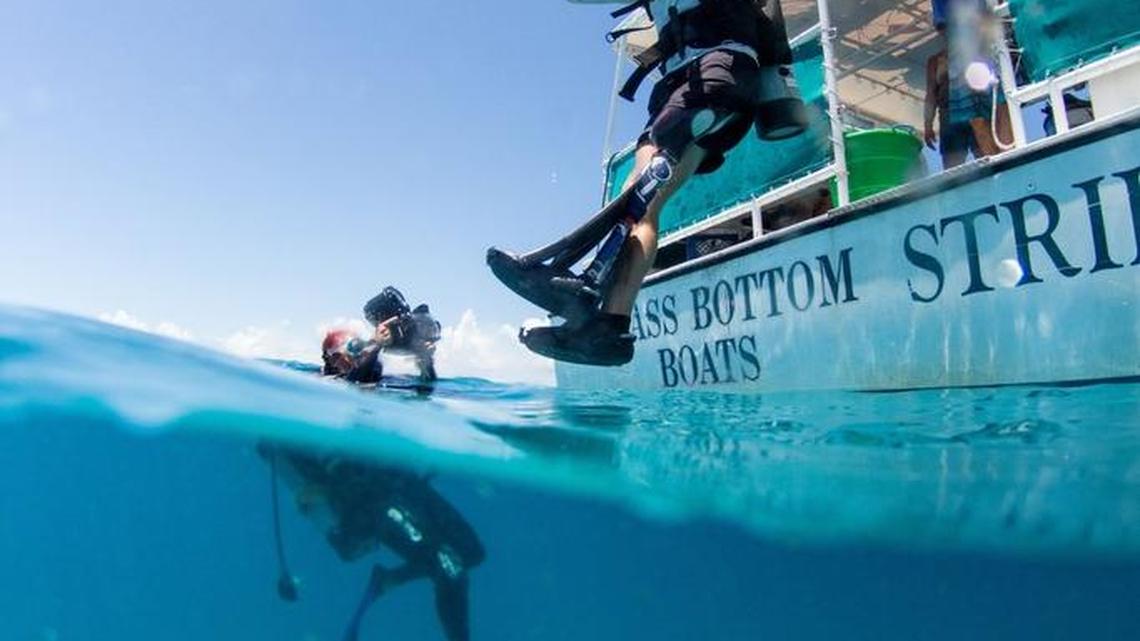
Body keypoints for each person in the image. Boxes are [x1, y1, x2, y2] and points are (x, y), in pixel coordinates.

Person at [487, 0, 806, 367]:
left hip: (717, 72)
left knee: (643, 194)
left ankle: (585, 291)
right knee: (640, 200)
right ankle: (607, 327)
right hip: (681, 86)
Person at [262, 442, 485, 641]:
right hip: (377, 498)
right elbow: (338, 473)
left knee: (465, 555)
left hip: (391, 487)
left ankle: (389, 580)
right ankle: (389, 580)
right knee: (457, 558)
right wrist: (331, 492)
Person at [924, 0, 1011, 169]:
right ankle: (957, 191)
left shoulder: (978, 48)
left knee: (983, 147)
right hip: (949, 114)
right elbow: (931, 94)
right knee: (952, 163)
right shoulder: (936, 61)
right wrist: (928, 125)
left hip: (976, 97)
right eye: (943, 30)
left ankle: (998, 169)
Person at [320, 287, 441, 383]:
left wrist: (426, 364)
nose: (358, 354)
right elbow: (354, 383)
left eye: (360, 345)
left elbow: (424, 394)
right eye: (352, 347)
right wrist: (376, 345)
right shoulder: (329, 381)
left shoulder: (374, 370)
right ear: (332, 359)